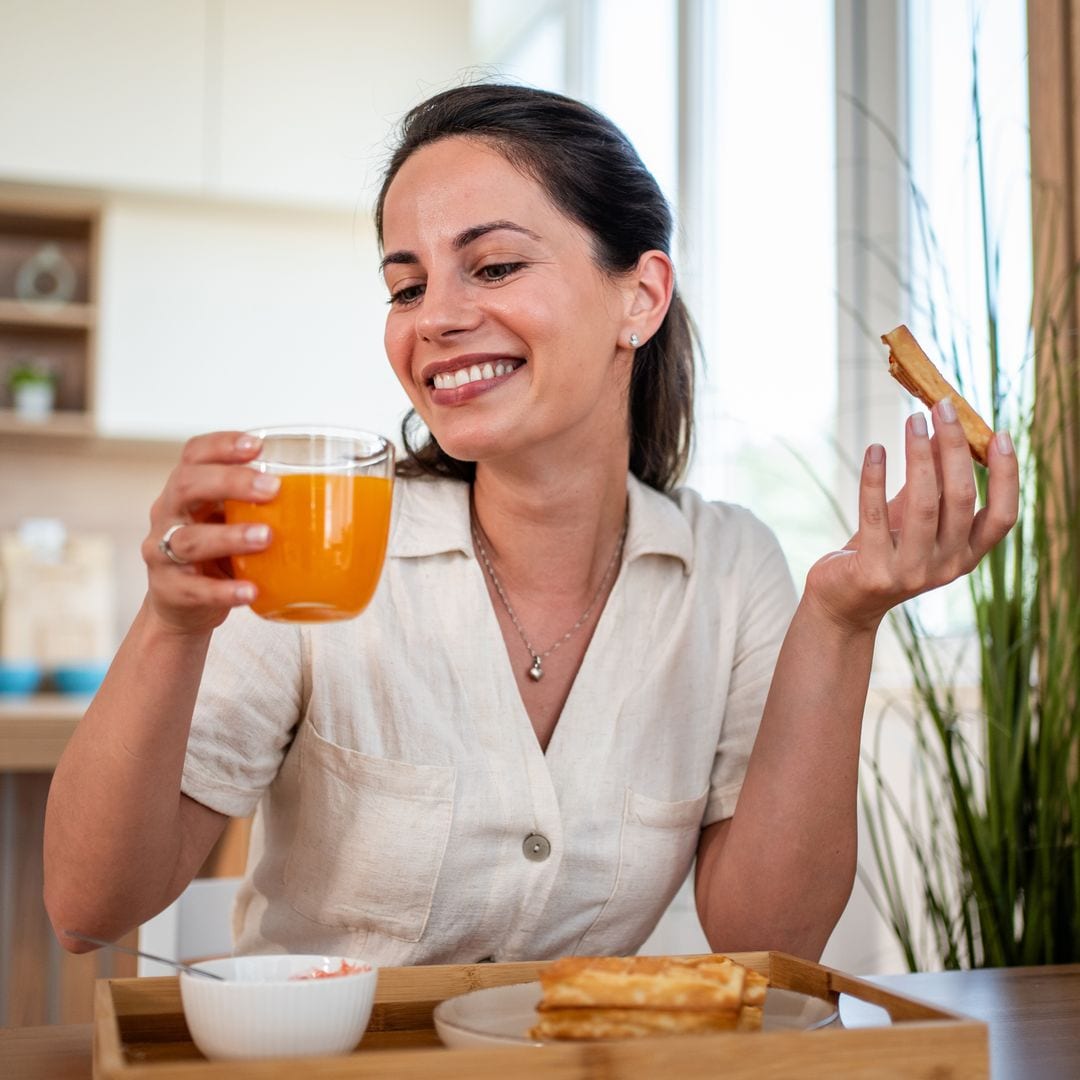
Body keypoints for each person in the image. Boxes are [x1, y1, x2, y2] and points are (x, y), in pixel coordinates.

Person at [43, 84, 1019, 966]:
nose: (434, 318)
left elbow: (766, 939)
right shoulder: (322, 544)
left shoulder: (730, 573)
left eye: (495, 265)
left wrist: (843, 623)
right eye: (406, 285)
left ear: (639, 296)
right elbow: (89, 908)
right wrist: (173, 624)